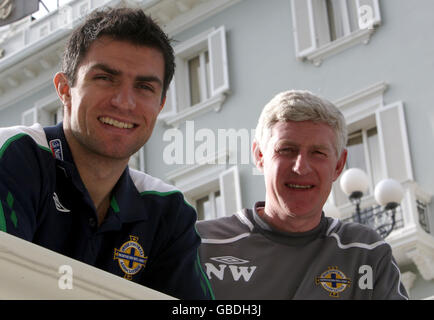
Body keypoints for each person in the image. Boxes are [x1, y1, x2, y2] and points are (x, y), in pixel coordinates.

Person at [0, 7, 213, 300]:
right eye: (105, 78)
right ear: (65, 89)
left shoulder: (167, 210)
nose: (124, 102)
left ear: (160, 106)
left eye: (144, 87)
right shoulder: (14, 156)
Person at [196, 90, 408, 300]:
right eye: (286, 150)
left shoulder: (367, 252)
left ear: (339, 165)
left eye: (318, 153)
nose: (301, 167)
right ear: (260, 156)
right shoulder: (201, 244)